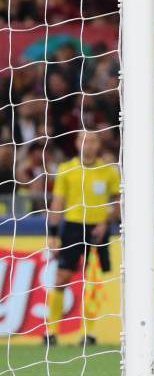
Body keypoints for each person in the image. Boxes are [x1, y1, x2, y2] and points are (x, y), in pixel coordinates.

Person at [44, 131, 120, 346]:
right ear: (77, 143)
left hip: (98, 229)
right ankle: (52, 332)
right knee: (62, 277)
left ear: (99, 145)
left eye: (93, 141)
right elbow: (58, 201)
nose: (88, 145)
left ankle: (90, 333)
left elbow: (117, 199)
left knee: (93, 281)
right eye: (84, 140)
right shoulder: (67, 170)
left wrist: (106, 223)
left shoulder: (109, 171)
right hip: (72, 228)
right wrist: (52, 233)